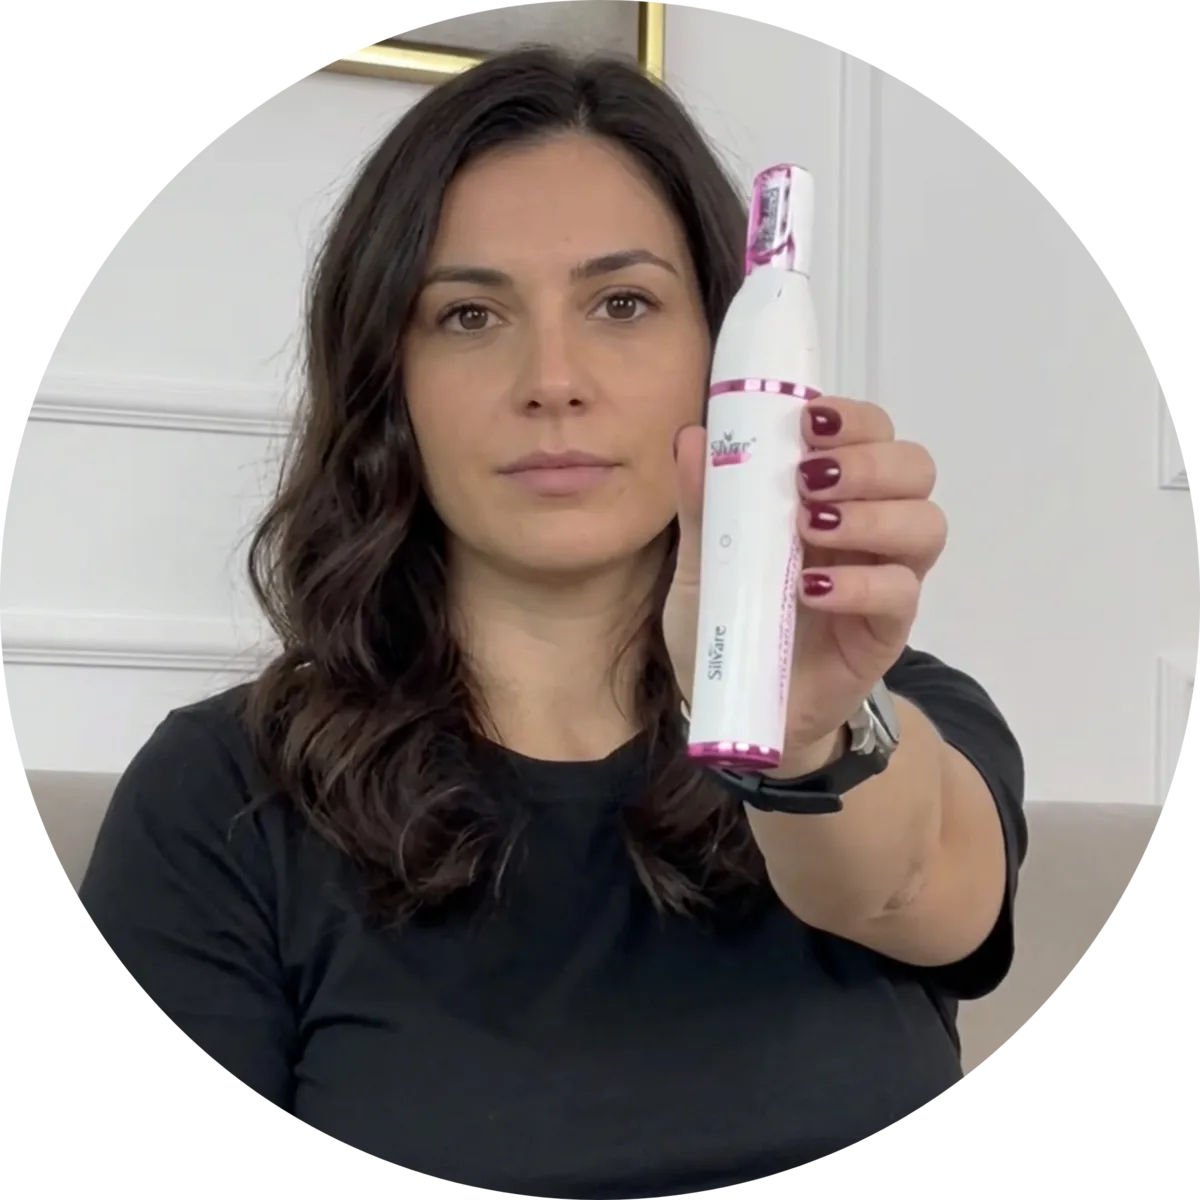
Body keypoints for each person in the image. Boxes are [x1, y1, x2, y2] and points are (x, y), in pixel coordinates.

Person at [78, 46, 1026, 1195]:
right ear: (389, 383)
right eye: (470, 314)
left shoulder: (898, 712)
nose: (554, 378)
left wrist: (800, 736)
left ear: (721, 357)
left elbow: (910, 884)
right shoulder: (218, 798)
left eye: (623, 303)